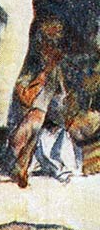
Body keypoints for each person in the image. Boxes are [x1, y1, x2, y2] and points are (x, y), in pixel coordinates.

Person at [9, 16, 84, 186]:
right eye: (49, 41)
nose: (53, 46)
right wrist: (44, 73)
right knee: (37, 117)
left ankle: (29, 163)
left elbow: (66, 105)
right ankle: (24, 163)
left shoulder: (60, 69)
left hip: (49, 132)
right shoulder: (31, 67)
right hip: (23, 134)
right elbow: (25, 98)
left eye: (57, 41)